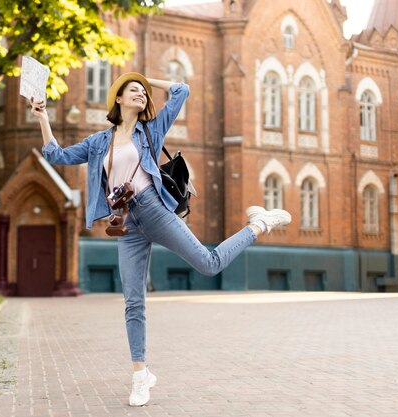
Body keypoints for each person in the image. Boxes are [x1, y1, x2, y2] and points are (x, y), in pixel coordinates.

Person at [30, 72, 291, 407]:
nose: (140, 93)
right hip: (124, 223)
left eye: (143, 91)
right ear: (118, 99)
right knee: (133, 301)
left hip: (153, 208)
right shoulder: (99, 142)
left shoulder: (150, 129)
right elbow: (57, 156)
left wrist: (146, 78)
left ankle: (259, 224)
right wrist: (42, 117)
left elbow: (182, 91)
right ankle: (140, 374)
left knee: (209, 264)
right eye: (132, 89)